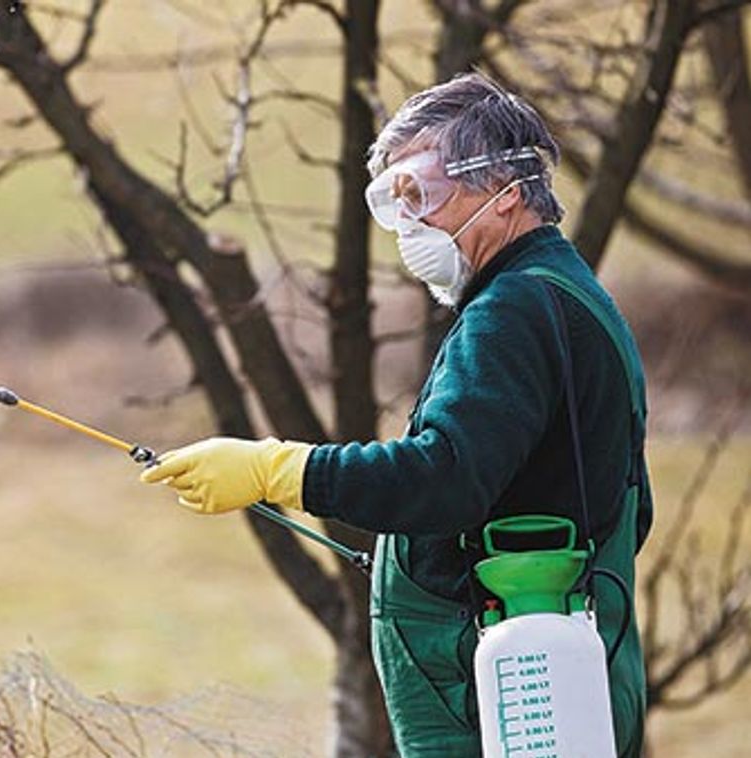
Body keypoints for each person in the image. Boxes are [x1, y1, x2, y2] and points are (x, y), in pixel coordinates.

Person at [140, 73, 650, 757]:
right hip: (537, 681)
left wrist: (276, 469)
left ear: (505, 193)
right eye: (395, 201)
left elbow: (442, 477)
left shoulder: (513, 312)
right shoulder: (557, 293)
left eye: (424, 194)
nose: (409, 223)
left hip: (511, 699)